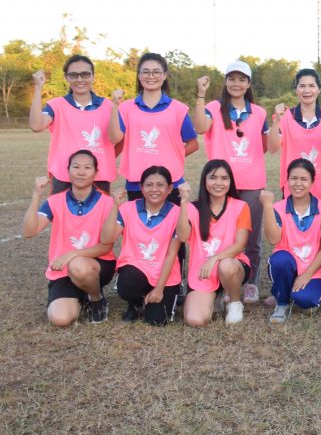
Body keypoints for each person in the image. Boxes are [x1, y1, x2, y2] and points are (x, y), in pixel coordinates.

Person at [193, 60, 269, 305]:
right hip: (221, 183)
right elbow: (200, 127)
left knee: (251, 236)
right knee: (223, 235)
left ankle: (251, 283)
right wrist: (201, 95)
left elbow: (265, 146)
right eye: (232, 79)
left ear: (249, 84)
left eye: (242, 79)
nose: (237, 84)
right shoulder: (214, 107)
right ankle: (226, 282)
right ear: (225, 81)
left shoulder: (259, 113)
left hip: (251, 181)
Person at [22, 150, 116, 326]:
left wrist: (71, 254)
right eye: (76, 167)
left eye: (87, 168)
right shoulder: (55, 201)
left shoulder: (107, 202)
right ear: (68, 170)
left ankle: (96, 299)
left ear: (96, 172)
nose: (81, 172)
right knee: (60, 319)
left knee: (78, 266)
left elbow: (106, 246)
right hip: (63, 269)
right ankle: (81, 297)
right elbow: (29, 232)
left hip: (95, 265)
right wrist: (36, 195)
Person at [108, 52, 199, 202]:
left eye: (156, 72)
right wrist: (115, 107)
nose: (151, 76)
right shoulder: (125, 108)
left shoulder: (178, 109)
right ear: (139, 75)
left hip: (171, 182)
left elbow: (193, 144)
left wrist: (171, 157)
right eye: (145, 72)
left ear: (164, 75)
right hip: (137, 183)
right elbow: (114, 138)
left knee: (172, 218)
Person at [101, 166, 183, 325]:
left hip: (164, 276)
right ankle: (135, 302)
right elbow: (106, 239)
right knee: (128, 284)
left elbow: (172, 254)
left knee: (157, 321)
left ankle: (153, 298)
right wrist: (115, 206)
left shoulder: (177, 213)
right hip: (136, 270)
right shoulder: (128, 208)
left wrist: (159, 289)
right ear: (141, 188)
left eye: (160, 185)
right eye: (149, 185)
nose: (154, 189)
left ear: (169, 189)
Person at [175, 161, 253, 327]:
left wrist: (214, 259)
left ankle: (234, 303)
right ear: (204, 181)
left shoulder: (240, 206)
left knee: (226, 265)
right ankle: (215, 299)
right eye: (213, 178)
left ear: (230, 182)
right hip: (203, 273)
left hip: (232, 266)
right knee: (195, 320)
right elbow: (182, 236)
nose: (219, 183)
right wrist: (183, 202)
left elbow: (240, 245)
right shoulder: (193, 208)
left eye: (224, 178)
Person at [28, 55, 118, 194]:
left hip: (99, 176)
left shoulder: (109, 106)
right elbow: (36, 126)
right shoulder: (56, 105)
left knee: (100, 209)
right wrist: (38, 88)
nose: (80, 79)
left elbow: (118, 138)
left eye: (85, 74)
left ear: (93, 76)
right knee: (60, 209)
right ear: (66, 77)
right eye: (74, 75)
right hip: (63, 176)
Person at [263, 159, 321, 322]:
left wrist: (307, 275)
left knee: (304, 301)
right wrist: (267, 206)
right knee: (280, 259)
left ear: (312, 182)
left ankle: (289, 291)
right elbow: (273, 239)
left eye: (304, 179)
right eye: (294, 178)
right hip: (288, 265)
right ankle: (281, 303)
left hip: (315, 270)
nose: (298, 184)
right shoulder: (278, 208)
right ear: (287, 180)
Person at [268, 69, 321, 201]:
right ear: (296, 90)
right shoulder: (284, 117)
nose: (307, 90)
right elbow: (272, 148)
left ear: (319, 89)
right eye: (302, 86)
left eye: (311, 85)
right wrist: (277, 120)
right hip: (295, 189)